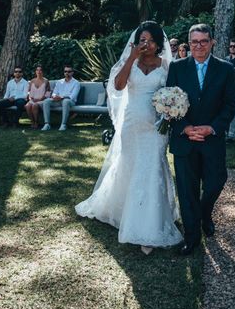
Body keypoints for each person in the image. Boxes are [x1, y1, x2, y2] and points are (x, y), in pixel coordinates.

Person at [76, 21, 183, 255]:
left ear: (158, 43)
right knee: (130, 165)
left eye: (150, 40)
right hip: (131, 124)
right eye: (142, 40)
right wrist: (131, 58)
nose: (146, 44)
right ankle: (126, 211)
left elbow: (173, 93)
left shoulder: (166, 66)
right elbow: (118, 85)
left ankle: (149, 224)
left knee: (152, 166)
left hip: (155, 128)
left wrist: (170, 109)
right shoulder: (131, 62)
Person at [166, 23, 235, 254]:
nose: (199, 46)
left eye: (204, 41)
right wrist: (185, 127)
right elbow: (168, 102)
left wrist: (212, 128)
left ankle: (205, 212)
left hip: (211, 139)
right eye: (195, 41)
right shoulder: (176, 68)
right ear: (189, 42)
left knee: (216, 181)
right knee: (187, 190)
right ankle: (192, 237)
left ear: (212, 43)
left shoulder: (226, 69)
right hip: (184, 140)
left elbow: (230, 104)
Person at [42, 65, 80, 131]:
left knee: (66, 101)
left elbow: (73, 96)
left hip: (70, 101)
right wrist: (54, 96)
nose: (67, 73)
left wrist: (62, 97)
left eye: (69, 71)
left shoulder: (76, 83)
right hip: (58, 100)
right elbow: (54, 92)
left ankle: (63, 124)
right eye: (65, 71)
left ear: (72, 72)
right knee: (46, 101)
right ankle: (47, 124)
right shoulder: (59, 82)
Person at [24, 65, 50, 129]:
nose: (39, 71)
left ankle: (36, 122)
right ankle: (32, 121)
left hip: (42, 100)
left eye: (40, 70)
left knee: (35, 105)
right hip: (33, 99)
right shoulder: (32, 81)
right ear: (35, 72)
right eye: (37, 70)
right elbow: (29, 91)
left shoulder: (46, 81)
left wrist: (40, 99)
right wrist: (30, 98)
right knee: (27, 106)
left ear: (43, 72)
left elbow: (48, 93)